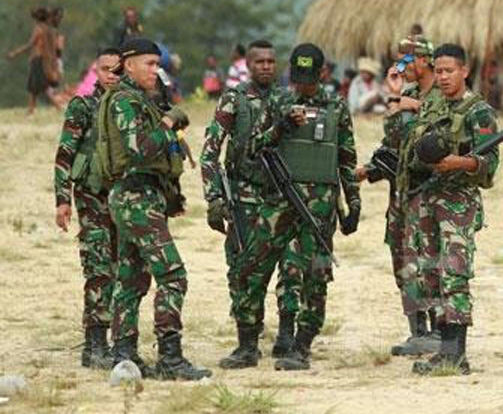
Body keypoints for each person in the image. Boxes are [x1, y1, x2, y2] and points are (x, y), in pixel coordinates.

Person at [228, 43, 361, 371]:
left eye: (309, 77)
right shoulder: (278, 101)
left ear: (323, 74)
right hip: (278, 204)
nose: (302, 84)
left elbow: (346, 158)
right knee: (251, 268)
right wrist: (281, 127)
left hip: (319, 209)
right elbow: (251, 148)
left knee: (314, 276)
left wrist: (353, 202)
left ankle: (300, 346)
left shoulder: (336, 107)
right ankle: (247, 344)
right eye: (297, 77)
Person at [97, 38, 210, 380]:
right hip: (135, 200)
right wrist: (167, 124)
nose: (155, 71)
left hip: (139, 198)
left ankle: (124, 355)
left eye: (157, 64)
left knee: (131, 279)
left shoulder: (138, 100)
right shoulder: (125, 102)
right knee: (173, 275)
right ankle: (170, 359)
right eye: (149, 63)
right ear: (128, 64)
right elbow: (139, 150)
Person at [200, 40, 303, 368]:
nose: (267, 67)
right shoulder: (235, 99)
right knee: (244, 269)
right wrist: (214, 198)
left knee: (291, 265)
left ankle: (287, 334)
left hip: (282, 195)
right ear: (247, 64)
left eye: (272, 61)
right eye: (260, 61)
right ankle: (247, 343)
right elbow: (209, 152)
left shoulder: (288, 99)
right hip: (244, 196)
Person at [402, 43, 499, 376]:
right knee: (431, 274)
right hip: (427, 199)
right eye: (439, 71)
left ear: (464, 71)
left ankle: (456, 353)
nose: (442, 77)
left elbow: (491, 165)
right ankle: (444, 348)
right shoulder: (431, 105)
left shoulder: (479, 111)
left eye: (449, 71)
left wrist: (463, 162)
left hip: (457, 202)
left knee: (454, 273)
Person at [359, 35, 444, 357]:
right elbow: (394, 139)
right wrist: (395, 100)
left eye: (406, 62)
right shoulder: (404, 93)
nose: (400, 68)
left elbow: (446, 131)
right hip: (402, 195)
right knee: (403, 261)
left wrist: (416, 108)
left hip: (431, 194)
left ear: (423, 61)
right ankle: (417, 330)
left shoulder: (443, 94)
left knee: (430, 262)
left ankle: (439, 329)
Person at [54, 47, 122, 369]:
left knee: (123, 268)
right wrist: (62, 200)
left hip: (123, 201)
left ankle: (119, 340)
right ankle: (95, 343)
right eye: (106, 69)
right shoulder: (83, 107)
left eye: (117, 70)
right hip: (92, 199)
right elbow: (64, 154)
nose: (111, 75)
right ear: (96, 70)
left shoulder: (129, 109)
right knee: (98, 268)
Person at [6, 7, 62, 114]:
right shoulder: (47, 29)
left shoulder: (38, 29)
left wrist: (15, 53)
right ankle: (30, 110)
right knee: (33, 87)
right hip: (40, 60)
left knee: (42, 87)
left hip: (37, 61)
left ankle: (58, 107)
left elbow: (30, 45)